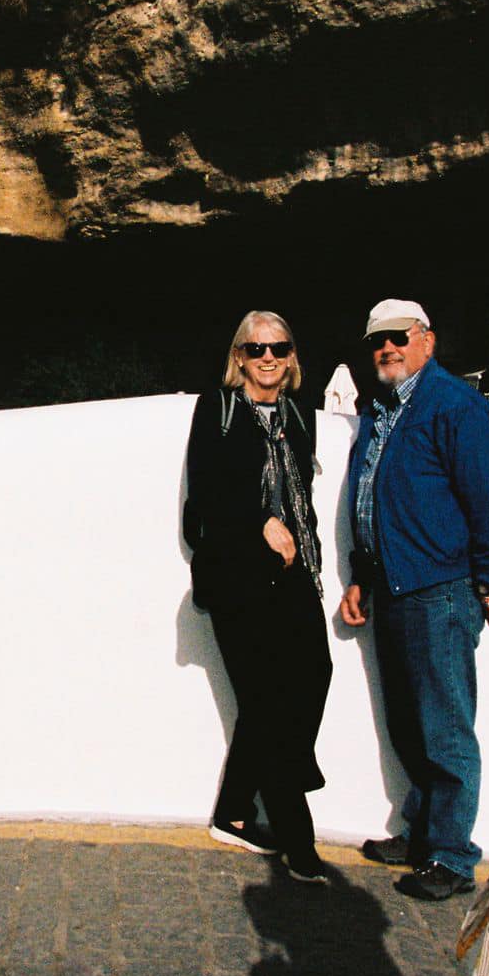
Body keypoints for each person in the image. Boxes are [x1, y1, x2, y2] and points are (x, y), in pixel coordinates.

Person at [337, 298, 489, 901]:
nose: (387, 348)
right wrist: (362, 575)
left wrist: (486, 578)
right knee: (409, 725)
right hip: (392, 587)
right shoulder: (380, 409)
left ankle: (452, 854)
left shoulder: (454, 405)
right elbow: (372, 500)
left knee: (444, 728)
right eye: (377, 341)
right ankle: (421, 834)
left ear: (427, 341)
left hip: (439, 589)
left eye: (398, 337)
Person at [182, 311, 335, 883]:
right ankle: (298, 838)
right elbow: (205, 492)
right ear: (239, 357)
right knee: (268, 702)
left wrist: (305, 550)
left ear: (292, 357)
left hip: (293, 573)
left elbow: (302, 494)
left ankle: (234, 810)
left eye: (279, 347)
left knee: (314, 674)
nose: (268, 357)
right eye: (256, 348)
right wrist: (259, 522)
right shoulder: (217, 408)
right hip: (236, 577)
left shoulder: (298, 413)